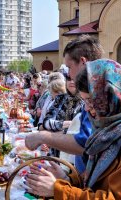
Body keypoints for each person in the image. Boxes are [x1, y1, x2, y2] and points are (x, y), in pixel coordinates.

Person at [25, 59, 121, 199]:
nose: (87, 108)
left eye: (91, 100)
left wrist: (58, 190)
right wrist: (68, 179)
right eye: (84, 101)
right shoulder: (106, 129)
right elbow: (96, 180)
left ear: (110, 96)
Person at [25, 35, 103, 172]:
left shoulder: (100, 97)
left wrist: (43, 136)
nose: (69, 75)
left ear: (83, 62)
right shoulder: (90, 93)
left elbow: (84, 143)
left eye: (69, 67)